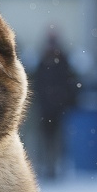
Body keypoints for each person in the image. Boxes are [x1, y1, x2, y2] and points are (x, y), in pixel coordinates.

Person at [33, 29, 78, 179]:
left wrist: (64, 100)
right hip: (46, 109)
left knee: (57, 140)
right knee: (46, 140)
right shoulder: (45, 61)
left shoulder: (61, 61)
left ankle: (55, 167)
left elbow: (70, 84)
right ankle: (47, 167)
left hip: (57, 109)